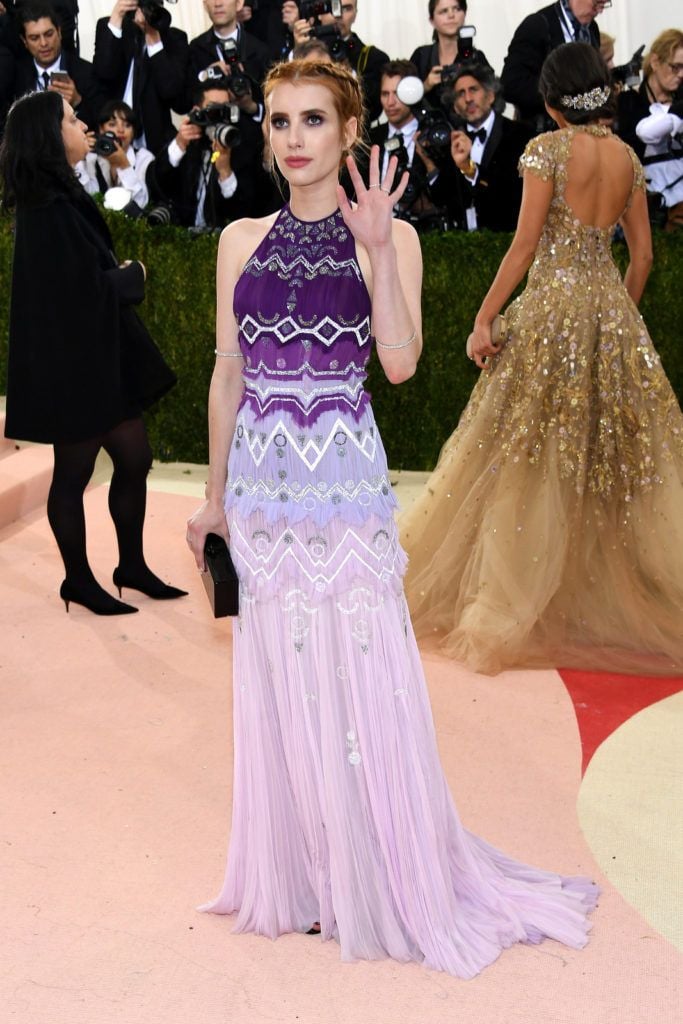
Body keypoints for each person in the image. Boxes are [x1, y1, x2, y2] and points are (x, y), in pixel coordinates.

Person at [186, 57, 597, 978]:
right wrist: (214, 500)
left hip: (342, 495)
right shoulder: (238, 239)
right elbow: (227, 374)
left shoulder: (392, 235)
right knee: (282, 687)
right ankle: (301, 881)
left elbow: (403, 362)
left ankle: (376, 875)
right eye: (280, 122)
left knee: (359, 680)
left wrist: (374, 249)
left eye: (312, 122)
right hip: (261, 494)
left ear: (347, 133)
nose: (293, 139)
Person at [400, 43, 683, 677]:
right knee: (607, 464)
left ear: (552, 101)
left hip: (550, 313)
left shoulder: (546, 151)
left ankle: (511, 597)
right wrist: (616, 317)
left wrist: (483, 317)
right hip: (609, 314)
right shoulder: (630, 160)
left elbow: (525, 245)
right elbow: (641, 259)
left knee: (523, 452)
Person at [0, 91, 186, 614]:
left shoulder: (58, 197)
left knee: (135, 457)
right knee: (73, 473)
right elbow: (79, 290)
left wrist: (115, 277)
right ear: (48, 136)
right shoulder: (45, 207)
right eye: (71, 119)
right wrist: (133, 277)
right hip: (75, 366)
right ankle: (78, 580)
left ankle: (130, 566)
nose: (83, 125)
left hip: (98, 357)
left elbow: (80, 279)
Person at [427, 62, 533, 232]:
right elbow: (443, 199)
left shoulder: (520, 135)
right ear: (455, 106)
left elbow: (516, 192)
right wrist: (428, 162)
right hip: (464, 245)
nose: (468, 98)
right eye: (461, 93)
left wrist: (471, 169)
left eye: (473, 90)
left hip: (509, 238)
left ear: (490, 96)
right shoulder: (452, 142)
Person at [154, 79, 265, 228]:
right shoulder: (187, 143)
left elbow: (244, 212)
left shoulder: (242, 147)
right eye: (213, 109)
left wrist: (225, 172)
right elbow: (158, 184)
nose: (219, 115)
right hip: (180, 238)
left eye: (225, 109)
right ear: (196, 111)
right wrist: (179, 144)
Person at [92, 0, 189, 156]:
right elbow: (104, 72)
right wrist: (117, 15)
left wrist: (154, 41)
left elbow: (171, 92)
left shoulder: (175, 39)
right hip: (111, 137)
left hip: (155, 144)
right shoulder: (111, 26)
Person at [502, 0, 608, 132]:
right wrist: (560, 96)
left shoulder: (592, 30)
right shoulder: (537, 26)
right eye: (597, 3)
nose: (600, 11)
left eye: (604, 4)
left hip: (583, 133)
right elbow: (511, 84)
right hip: (543, 133)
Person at [616, 29, 683, 231]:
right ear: (655, 62)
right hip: (646, 193)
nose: (681, 75)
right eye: (675, 67)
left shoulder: (681, 101)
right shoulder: (628, 103)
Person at [7, 2, 104, 129]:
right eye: (34, 38)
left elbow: (101, 122)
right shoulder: (15, 75)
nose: (43, 43)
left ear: (59, 32)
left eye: (48, 34)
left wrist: (77, 101)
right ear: (24, 41)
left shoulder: (86, 72)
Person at [188, 0, 269, 112]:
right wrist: (205, 75)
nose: (218, 4)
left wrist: (251, 107)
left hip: (250, 127)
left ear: (239, 3)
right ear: (205, 4)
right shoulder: (195, 48)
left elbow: (274, 105)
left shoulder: (260, 49)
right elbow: (185, 101)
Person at [410, 1, 490, 112]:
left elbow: (492, 99)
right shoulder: (421, 56)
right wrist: (425, 86)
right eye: (443, 11)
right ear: (432, 20)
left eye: (456, 9)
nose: (451, 15)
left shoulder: (476, 58)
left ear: (465, 14)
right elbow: (402, 99)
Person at [79, 99, 155, 210]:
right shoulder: (92, 157)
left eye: (127, 125)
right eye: (112, 124)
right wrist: (80, 157)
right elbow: (88, 196)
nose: (120, 130)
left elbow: (141, 203)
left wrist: (124, 165)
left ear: (133, 131)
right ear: (101, 129)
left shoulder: (144, 158)